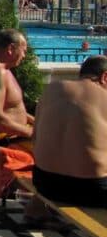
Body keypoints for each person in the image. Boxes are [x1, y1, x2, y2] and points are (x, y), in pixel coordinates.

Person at [32, 55, 107, 207]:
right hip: (92, 190)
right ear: (105, 77)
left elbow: (35, 136)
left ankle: (35, 209)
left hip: (45, 184)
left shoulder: (51, 90)